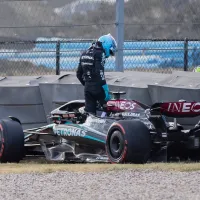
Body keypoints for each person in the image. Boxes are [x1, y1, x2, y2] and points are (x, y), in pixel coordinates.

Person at [76, 33, 117, 115]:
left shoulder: (84, 53)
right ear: (106, 44)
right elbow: (99, 72)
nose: (109, 54)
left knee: (90, 115)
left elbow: (78, 74)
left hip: (88, 88)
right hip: (98, 88)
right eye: (110, 50)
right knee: (110, 111)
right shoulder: (100, 53)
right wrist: (105, 89)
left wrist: (87, 84)